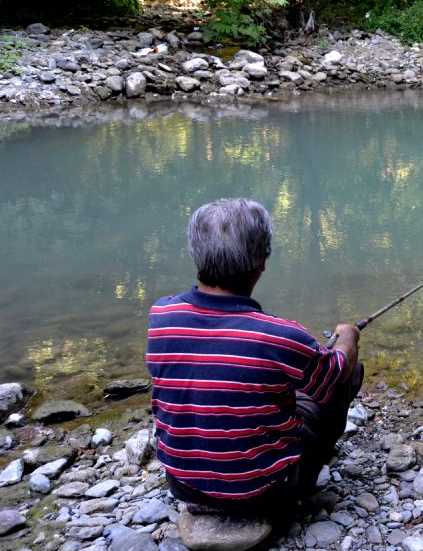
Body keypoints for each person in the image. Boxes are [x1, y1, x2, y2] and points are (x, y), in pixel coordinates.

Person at [146, 198, 362, 513]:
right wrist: (348, 337)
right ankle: (307, 466)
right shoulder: (280, 335)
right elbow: (338, 369)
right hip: (268, 491)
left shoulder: (161, 315)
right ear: (262, 261)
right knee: (346, 372)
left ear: (195, 254)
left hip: (184, 486)